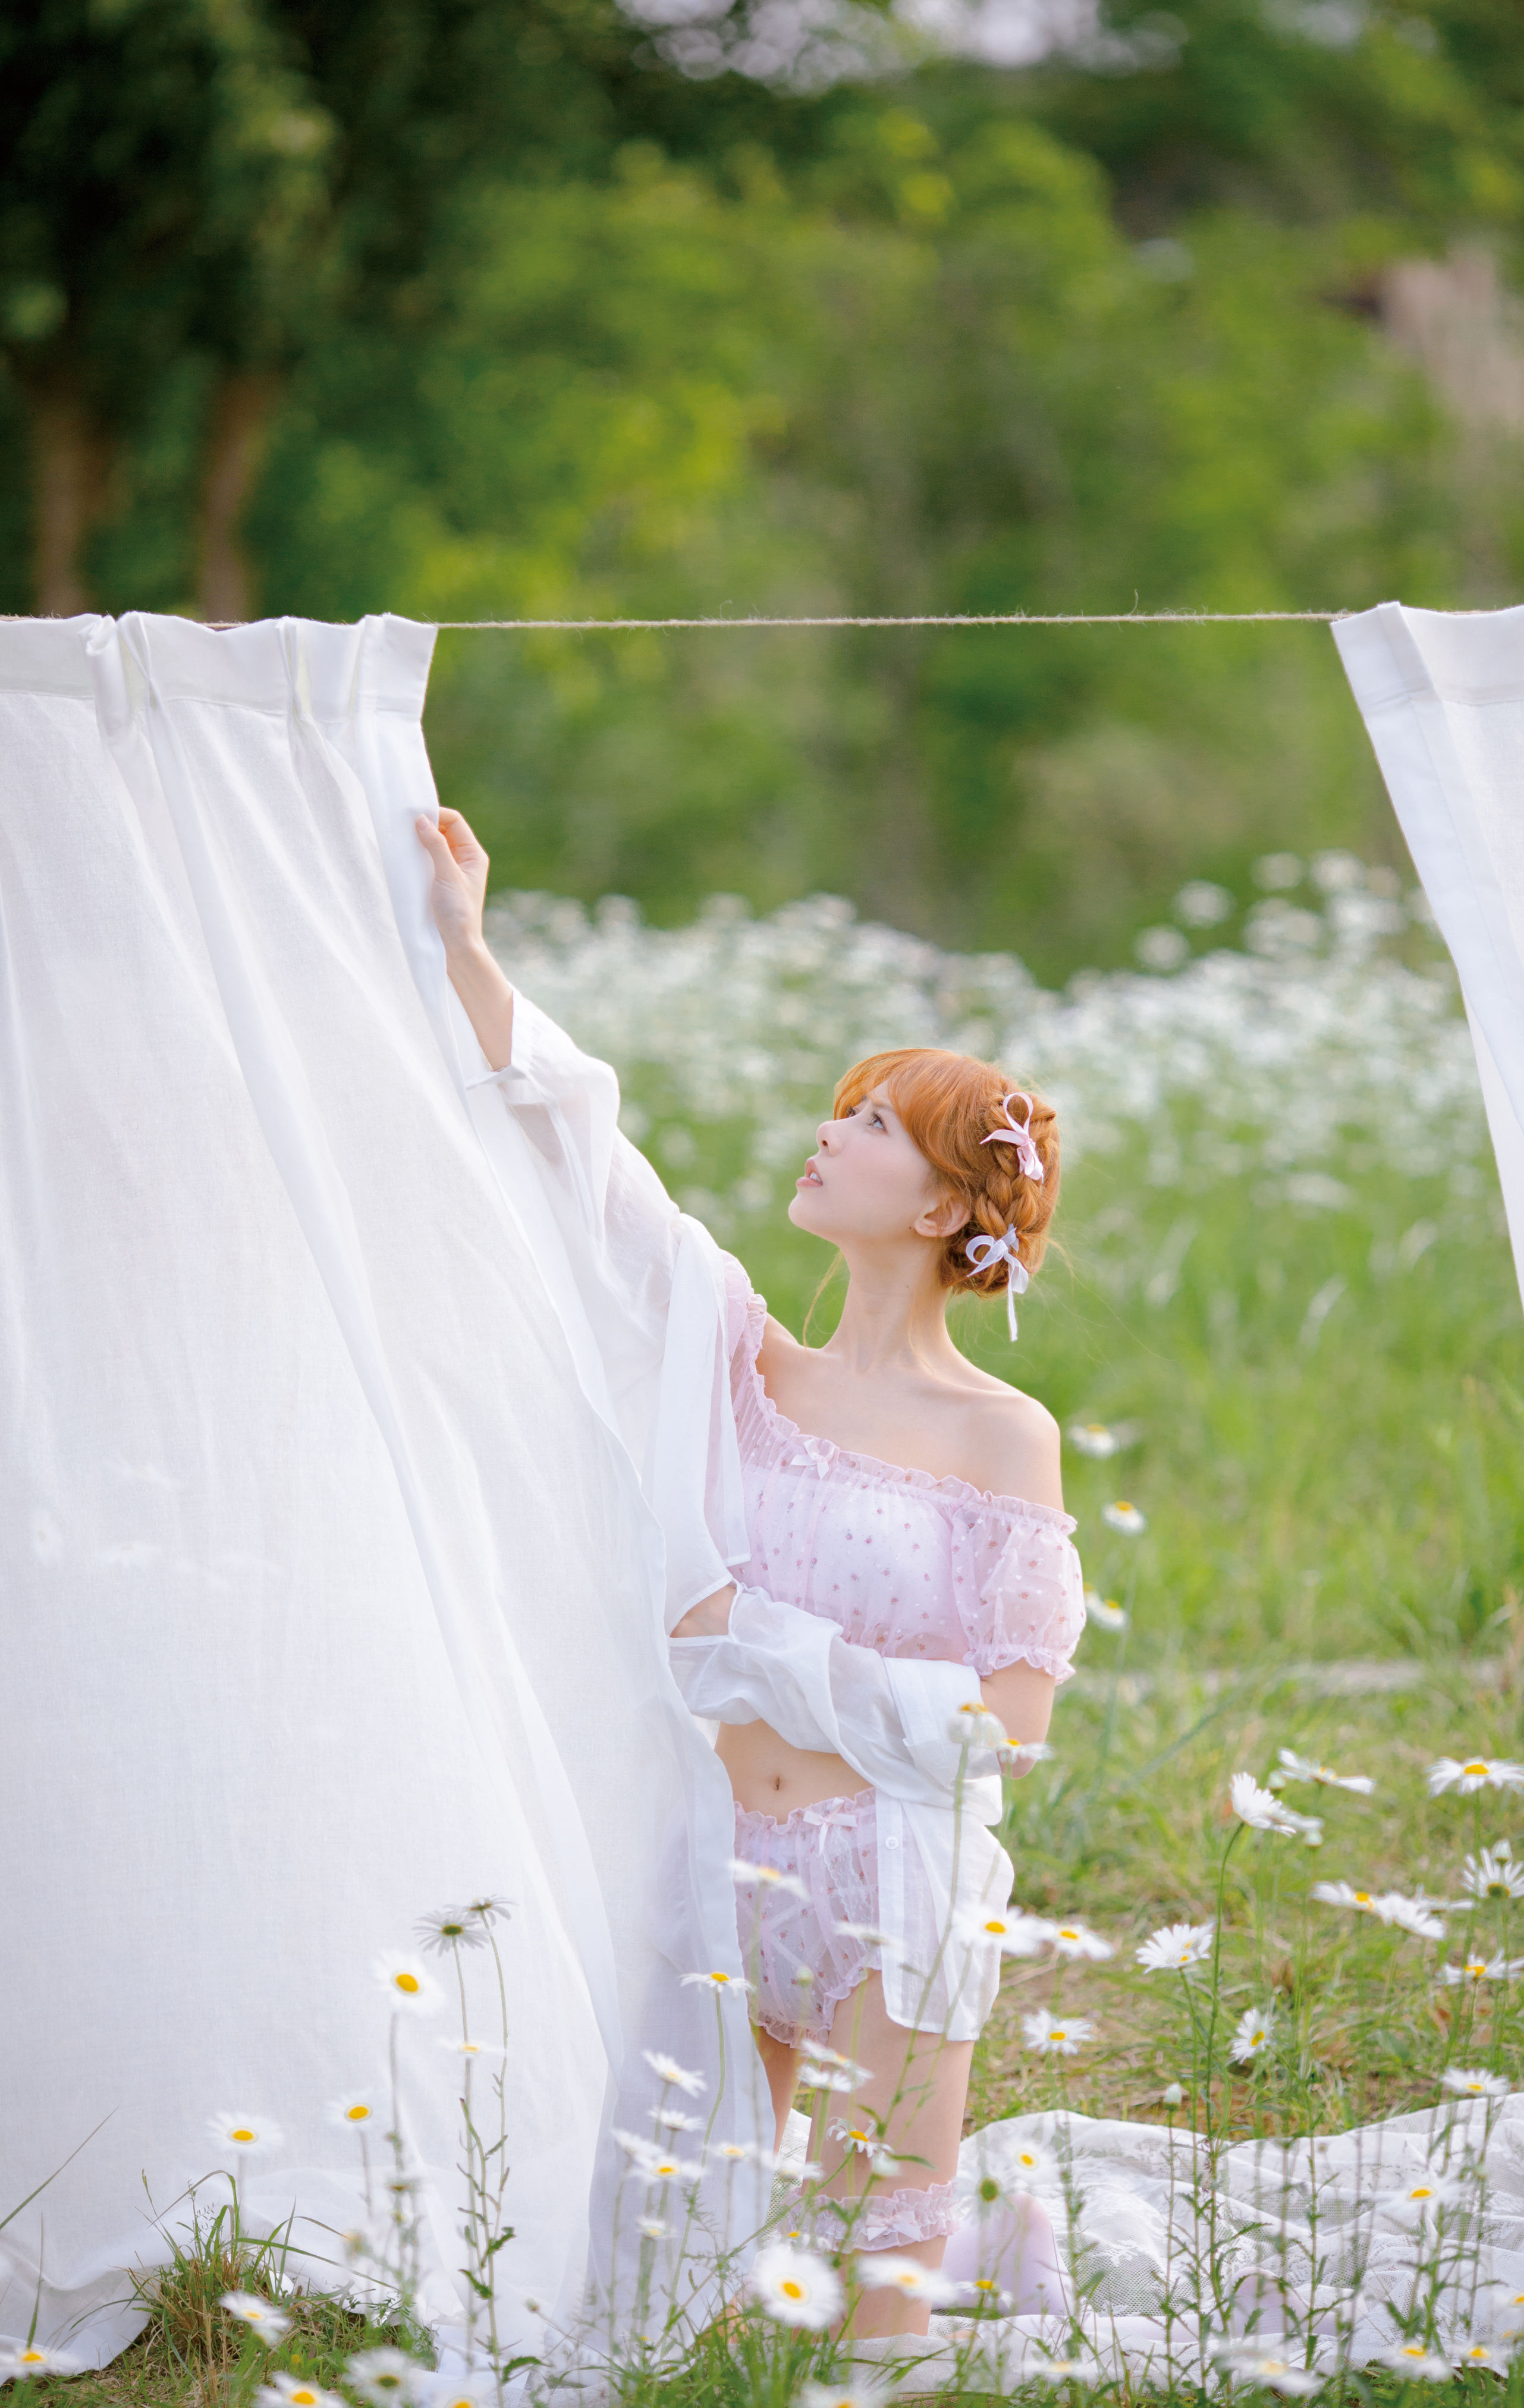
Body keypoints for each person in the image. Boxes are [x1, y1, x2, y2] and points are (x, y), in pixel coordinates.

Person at [416, 806, 1086, 2337]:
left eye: (869, 1126)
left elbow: (1012, 1732)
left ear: (935, 1207)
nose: (827, 1133)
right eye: (841, 1109)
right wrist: (467, 945)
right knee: (662, 2307)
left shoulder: (1000, 1435)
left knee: (870, 2327)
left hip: (889, 1877)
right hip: (722, 1864)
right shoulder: (734, 1350)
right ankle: (984, 2231)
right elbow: (582, 1151)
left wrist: (759, 1645)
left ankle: (967, 2243)